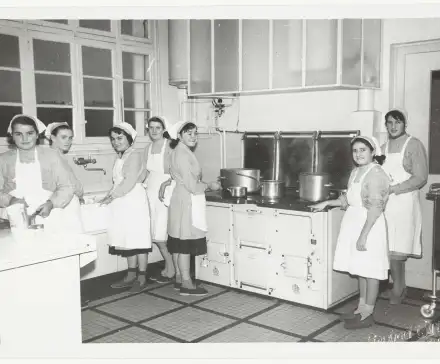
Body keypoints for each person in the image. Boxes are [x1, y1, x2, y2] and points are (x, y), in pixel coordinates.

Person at [310, 136, 390, 329]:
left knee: (371, 271)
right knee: (361, 269)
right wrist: (328, 202)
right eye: (355, 151)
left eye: (363, 150)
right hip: (355, 222)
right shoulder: (356, 172)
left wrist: (364, 235)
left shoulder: (376, 174)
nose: (358, 154)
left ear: (373, 152)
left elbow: (376, 208)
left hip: (370, 225)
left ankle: (368, 313)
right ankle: (361, 309)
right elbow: (348, 200)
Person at [159, 121, 221, 296]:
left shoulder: (178, 151)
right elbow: (192, 185)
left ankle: (180, 279)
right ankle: (187, 283)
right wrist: (210, 185)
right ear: (179, 136)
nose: (193, 137)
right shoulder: (183, 154)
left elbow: (177, 176)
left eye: (195, 133)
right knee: (185, 243)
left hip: (180, 198)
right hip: (186, 200)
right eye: (189, 134)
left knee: (179, 242)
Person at [380, 109, 428, 305]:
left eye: (397, 122)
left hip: (405, 202)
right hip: (387, 204)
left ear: (404, 124)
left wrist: (394, 188)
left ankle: (398, 289)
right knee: (389, 248)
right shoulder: (382, 147)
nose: (393, 126)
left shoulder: (413, 144)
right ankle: (399, 286)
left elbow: (420, 177)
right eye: (389, 123)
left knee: (398, 250)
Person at [0, 114, 78, 231]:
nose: (25, 139)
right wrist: (11, 200)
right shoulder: (3, 159)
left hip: (50, 215)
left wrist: (51, 204)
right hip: (14, 219)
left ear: (37, 135)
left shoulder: (52, 156)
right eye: (18, 134)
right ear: (12, 136)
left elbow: (66, 187)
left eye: (30, 133)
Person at [101, 122, 152, 293]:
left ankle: (142, 277)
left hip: (133, 201)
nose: (116, 142)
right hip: (122, 200)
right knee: (127, 240)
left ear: (129, 139)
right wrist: (107, 196)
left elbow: (129, 181)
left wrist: (112, 197)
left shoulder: (134, 155)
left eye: (120, 138)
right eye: (113, 139)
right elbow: (117, 182)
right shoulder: (121, 156)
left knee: (138, 239)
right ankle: (131, 275)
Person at [142, 116, 176, 283]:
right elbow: (146, 172)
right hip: (151, 190)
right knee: (155, 232)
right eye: (151, 128)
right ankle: (170, 267)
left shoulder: (170, 146)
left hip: (166, 191)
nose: (154, 131)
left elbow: (178, 171)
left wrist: (168, 183)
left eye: (157, 128)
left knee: (161, 233)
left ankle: (171, 268)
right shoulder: (147, 148)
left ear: (164, 129)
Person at [45, 122, 84, 230]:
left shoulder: (58, 155)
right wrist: (80, 194)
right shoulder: (52, 157)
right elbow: (69, 183)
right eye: (63, 137)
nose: (68, 141)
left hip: (67, 202)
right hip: (63, 205)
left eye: (70, 138)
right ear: (53, 137)